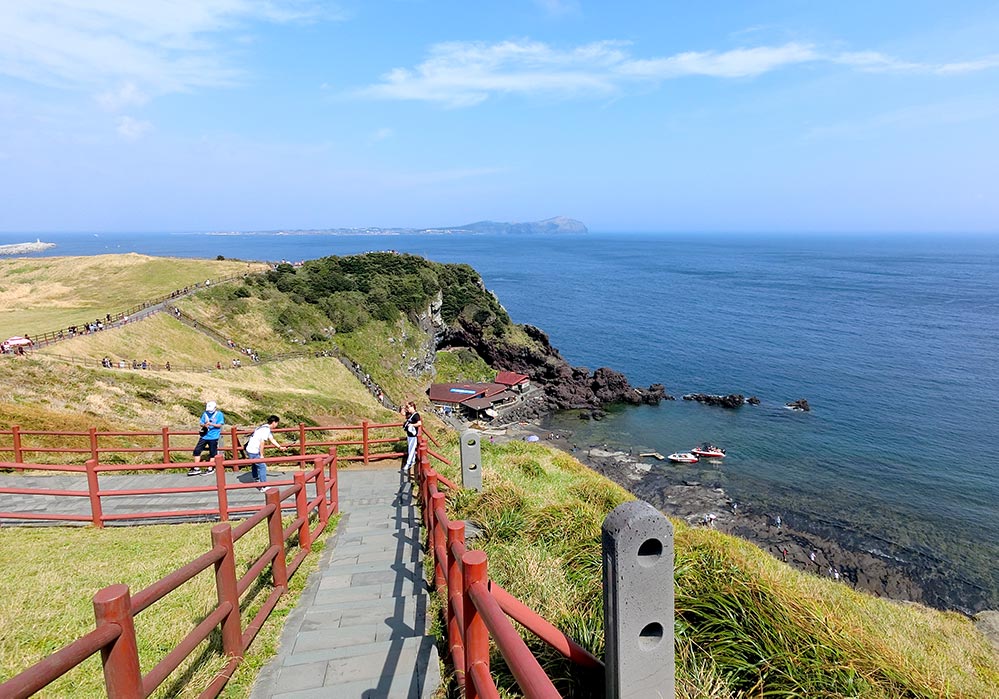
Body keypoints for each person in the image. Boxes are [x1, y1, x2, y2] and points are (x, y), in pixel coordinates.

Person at [246, 415, 287, 490]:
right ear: (274, 422)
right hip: (254, 450)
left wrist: (280, 447)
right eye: (277, 423)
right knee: (262, 466)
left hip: (250, 448)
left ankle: (255, 478)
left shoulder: (264, 427)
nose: (277, 425)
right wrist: (262, 455)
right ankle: (263, 486)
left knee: (255, 463)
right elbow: (262, 443)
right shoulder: (266, 430)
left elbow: (272, 439)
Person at [188, 401, 225, 475]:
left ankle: (210, 468)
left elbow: (220, 425)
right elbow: (201, 423)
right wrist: (204, 425)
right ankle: (196, 467)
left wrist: (211, 424)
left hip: (214, 436)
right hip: (204, 436)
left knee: (212, 453)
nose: (209, 411)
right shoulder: (205, 414)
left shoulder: (219, 414)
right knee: (197, 451)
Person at [402, 401, 422, 475]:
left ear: (413, 407)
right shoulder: (410, 414)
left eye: (409, 407)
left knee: (411, 449)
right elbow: (402, 413)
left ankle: (408, 463)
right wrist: (405, 407)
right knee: (411, 449)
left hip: (413, 436)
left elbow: (419, 423)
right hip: (409, 435)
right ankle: (412, 461)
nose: (408, 409)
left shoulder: (416, 415)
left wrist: (412, 425)